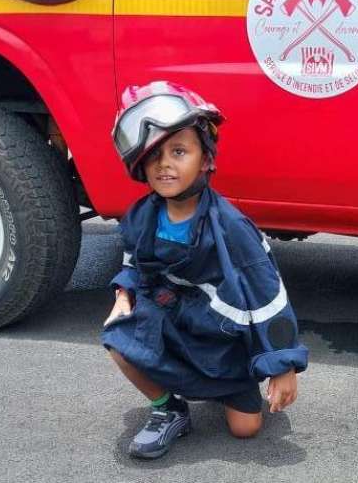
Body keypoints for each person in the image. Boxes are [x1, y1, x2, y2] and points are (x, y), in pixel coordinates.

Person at [101, 81, 308, 459]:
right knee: (119, 339)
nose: (165, 164)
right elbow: (133, 259)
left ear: (206, 159)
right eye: (154, 155)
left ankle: (225, 385)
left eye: (179, 151)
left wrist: (283, 365)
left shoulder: (230, 226)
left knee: (246, 429)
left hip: (220, 340)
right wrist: (123, 293)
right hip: (173, 320)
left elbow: (268, 295)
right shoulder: (143, 215)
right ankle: (168, 408)